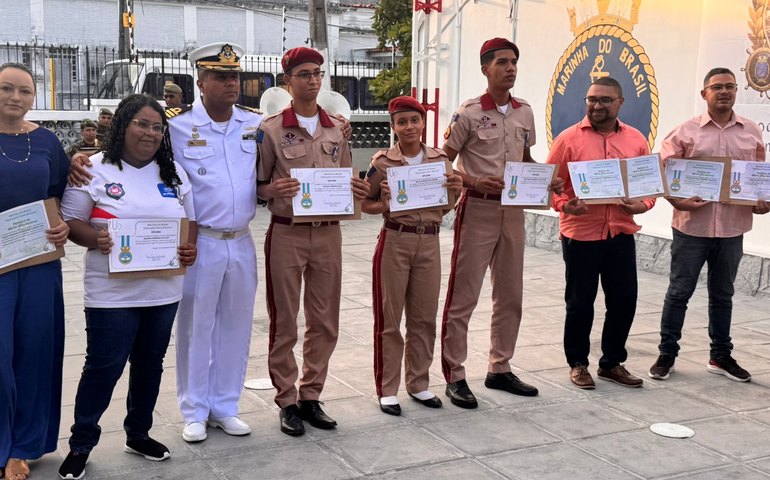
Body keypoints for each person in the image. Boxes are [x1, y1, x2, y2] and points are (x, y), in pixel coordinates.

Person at [58, 93, 197, 480]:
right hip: (111, 294)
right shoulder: (93, 169)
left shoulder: (173, 173)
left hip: (163, 291)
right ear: (122, 125)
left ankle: (138, 433)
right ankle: (81, 443)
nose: (150, 133)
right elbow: (72, 223)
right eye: (142, 124)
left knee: (150, 365)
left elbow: (191, 221)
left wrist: (189, 249)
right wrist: (95, 239)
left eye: (157, 127)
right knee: (103, 367)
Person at [440, 38, 562, 408]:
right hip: (477, 209)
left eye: (514, 63)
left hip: (514, 213)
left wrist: (546, 177)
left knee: (510, 296)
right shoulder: (469, 113)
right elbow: (442, 161)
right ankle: (455, 375)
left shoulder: (524, 112)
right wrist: (473, 181)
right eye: (503, 63)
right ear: (485, 69)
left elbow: (526, 158)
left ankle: (500, 367)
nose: (510, 68)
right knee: (464, 296)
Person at [257, 47, 369, 436]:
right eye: (303, 74)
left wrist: (356, 186)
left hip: (327, 234)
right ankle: (287, 399)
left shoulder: (337, 127)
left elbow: (343, 175)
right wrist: (272, 188)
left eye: (317, 73)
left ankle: (311, 394)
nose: (312, 80)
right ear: (287, 81)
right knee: (285, 320)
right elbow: (256, 187)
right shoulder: (270, 129)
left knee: (324, 320)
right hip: (287, 231)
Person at [648, 67, 769, 383]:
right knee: (679, 292)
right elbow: (661, 173)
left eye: (730, 86)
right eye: (717, 87)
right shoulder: (685, 132)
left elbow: (758, 178)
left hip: (732, 229)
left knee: (723, 295)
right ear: (705, 94)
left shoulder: (752, 131)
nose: (725, 92)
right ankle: (667, 354)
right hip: (692, 228)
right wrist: (677, 201)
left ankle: (720, 356)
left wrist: (761, 202)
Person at [546, 77, 653, 390]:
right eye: (592, 99)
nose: (597, 105)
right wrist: (566, 205)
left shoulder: (636, 141)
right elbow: (550, 187)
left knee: (624, 300)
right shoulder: (567, 140)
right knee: (580, 302)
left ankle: (611, 363)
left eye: (605, 100)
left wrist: (642, 205)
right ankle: (578, 363)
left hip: (620, 232)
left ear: (620, 102)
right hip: (581, 234)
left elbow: (647, 188)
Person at [363, 96, 462, 415]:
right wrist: (384, 205)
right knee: (389, 319)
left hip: (429, 242)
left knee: (423, 318)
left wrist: (456, 189)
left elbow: (446, 205)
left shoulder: (440, 160)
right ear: (393, 126)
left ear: (423, 123)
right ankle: (387, 388)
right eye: (402, 121)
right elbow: (365, 203)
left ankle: (418, 383)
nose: (409, 127)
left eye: (414, 120)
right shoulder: (382, 163)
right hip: (396, 239)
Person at [0, 62, 70, 480]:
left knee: (34, 353)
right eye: (6, 88)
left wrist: (61, 224)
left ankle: (22, 447)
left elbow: (57, 194)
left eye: (24, 91)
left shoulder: (45, 141)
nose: (15, 97)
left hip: (38, 264)